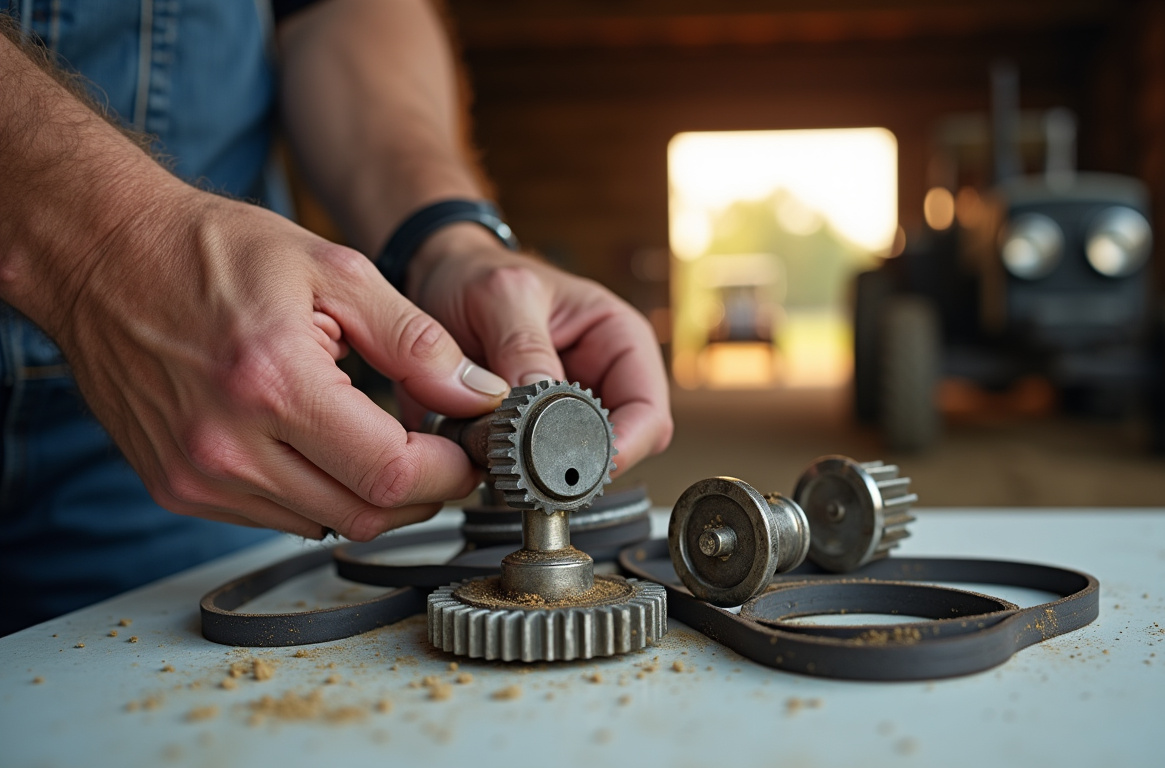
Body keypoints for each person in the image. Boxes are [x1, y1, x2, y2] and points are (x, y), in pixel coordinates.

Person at [0, 0, 673, 635]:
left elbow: (346, 13)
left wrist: (444, 239)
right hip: (191, 376)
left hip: (205, 440)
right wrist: (103, 245)